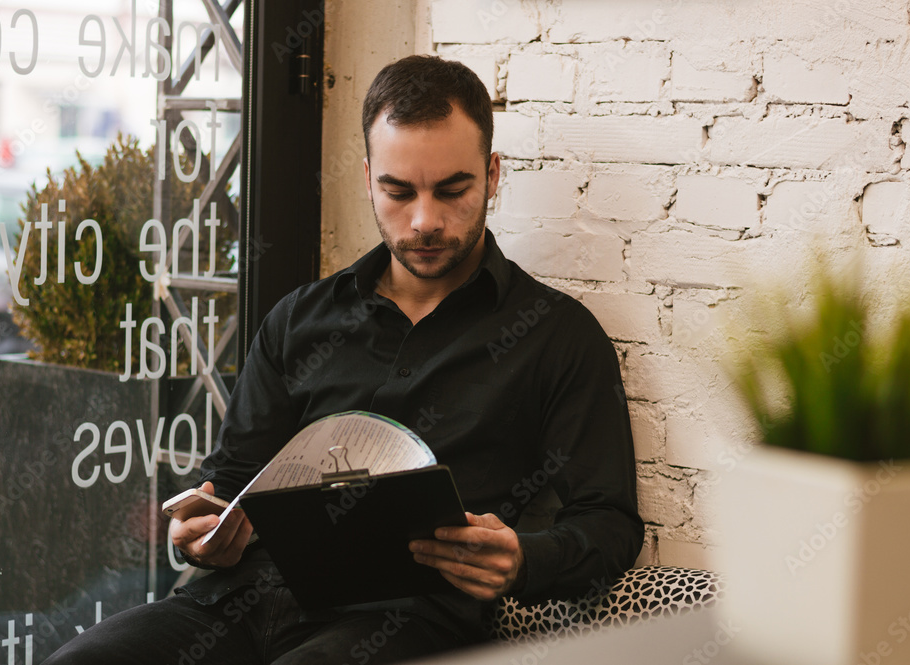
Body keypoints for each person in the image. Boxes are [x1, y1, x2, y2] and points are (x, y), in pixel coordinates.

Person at [44, 54, 643, 665]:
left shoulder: (556, 336)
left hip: (408, 623)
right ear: (367, 179)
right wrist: (201, 534)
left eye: (453, 190)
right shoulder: (298, 320)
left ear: (492, 176)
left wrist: (522, 558)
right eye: (398, 190)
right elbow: (230, 483)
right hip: (235, 602)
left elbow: (610, 524)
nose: (424, 220)